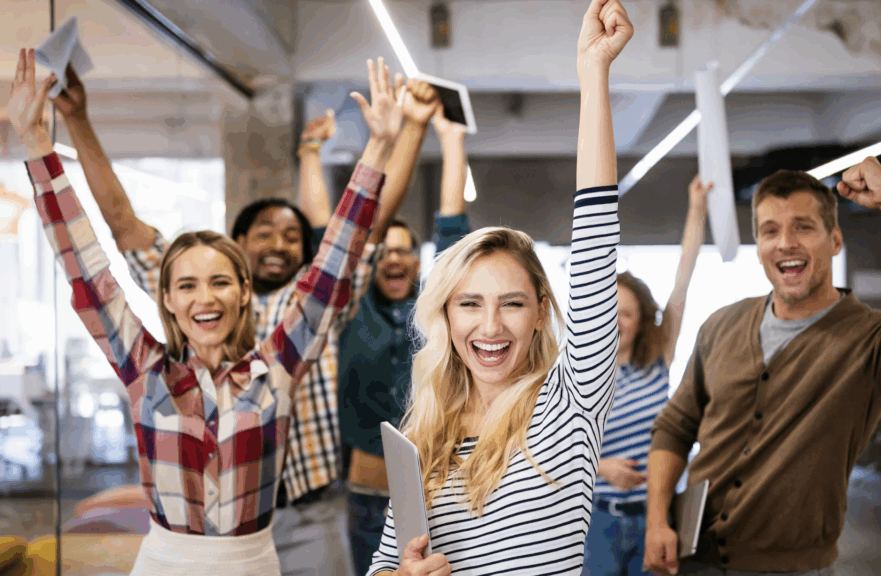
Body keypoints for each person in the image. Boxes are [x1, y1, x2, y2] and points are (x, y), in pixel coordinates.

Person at [9, 48, 404, 575]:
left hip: (255, 560)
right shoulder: (146, 372)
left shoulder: (276, 369)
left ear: (243, 291)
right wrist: (36, 145)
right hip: (165, 561)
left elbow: (332, 270)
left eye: (220, 282)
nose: (205, 298)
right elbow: (87, 272)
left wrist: (378, 149)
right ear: (167, 298)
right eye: (187, 285)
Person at [366, 1, 632, 574]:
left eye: (512, 304)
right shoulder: (424, 439)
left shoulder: (568, 406)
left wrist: (593, 77)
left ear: (540, 312)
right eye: (470, 305)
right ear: (446, 316)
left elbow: (595, 240)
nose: (490, 327)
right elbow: (383, 566)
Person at [642, 161, 881, 575]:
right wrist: (657, 521)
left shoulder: (870, 338)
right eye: (770, 230)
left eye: (803, 227)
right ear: (759, 245)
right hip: (690, 559)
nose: (785, 242)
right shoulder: (722, 323)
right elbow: (675, 426)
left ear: (835, 239)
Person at [339, 99, 472, 576]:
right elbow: (361, 236)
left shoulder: (435, 310)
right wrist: (409, 132)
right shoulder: (351, 312)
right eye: (385, 251)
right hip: (368, 497)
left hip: (438, 496)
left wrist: (451, 139)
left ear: (417, 261)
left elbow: (453, 231)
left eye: (405, 250)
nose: (394, 258)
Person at [583, 175, 711, 576]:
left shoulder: (656, 362)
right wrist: (601, 467)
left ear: (640, 322)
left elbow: (682, 284)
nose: (615, 320)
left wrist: (696, 211)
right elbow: (547, 449)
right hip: (596, 522)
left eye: (626, 313)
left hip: (652, 518)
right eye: (609, 310)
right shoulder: (577, 375)